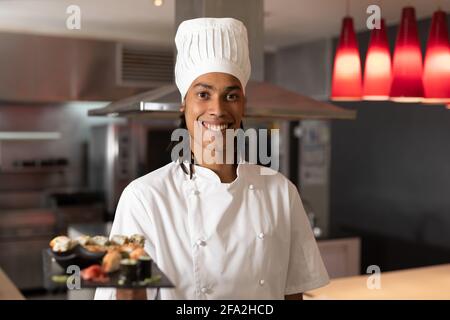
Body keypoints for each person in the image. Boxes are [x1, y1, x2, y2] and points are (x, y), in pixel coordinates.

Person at [95, 17, 329, 300]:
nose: (217, 109)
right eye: (203, 94)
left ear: (243, 104)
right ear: (184, 103)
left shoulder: (280, 192)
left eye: (231, 96)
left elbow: (293, 293)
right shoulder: (145, 198)